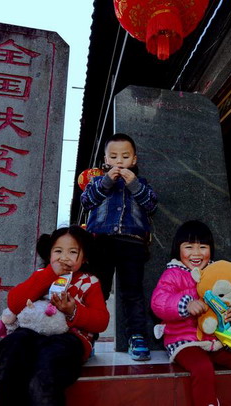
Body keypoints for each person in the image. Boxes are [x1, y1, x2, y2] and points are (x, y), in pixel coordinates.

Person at [151, 220, 231, 406]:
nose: (196, 253)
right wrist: (185, 304)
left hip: (219, 340)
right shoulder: (173, 274)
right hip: (185, 341)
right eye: (189, 247)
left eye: (203, 246)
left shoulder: (219, 271)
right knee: (202, 368)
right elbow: (158, 302)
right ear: (178, 249)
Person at [0, 226, 109, 406]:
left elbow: (101, 321)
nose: (64, 257)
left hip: (70, 338)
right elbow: (14, 303)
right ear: (49, 255)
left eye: (72, 252)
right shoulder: (41, 275)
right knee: (11, 356)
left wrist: (73, 311)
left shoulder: (89, 282)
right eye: (58, 251)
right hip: (31, 333)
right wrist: (49, 274)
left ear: (84, 258)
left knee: (45, 372)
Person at [80, 133, 157, 361]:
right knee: (97, 291)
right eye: (113, 156)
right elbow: (87, 202)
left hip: (132, 244)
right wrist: (106, 182)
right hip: (101, 243)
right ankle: (88, 336)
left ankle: (137, 337)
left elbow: (151, 205)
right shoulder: (97, 182)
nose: (119, 161)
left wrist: (133, 183)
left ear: (134, 160)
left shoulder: (141, 183)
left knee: (132, 293)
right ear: (105, 159)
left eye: (125, 156)